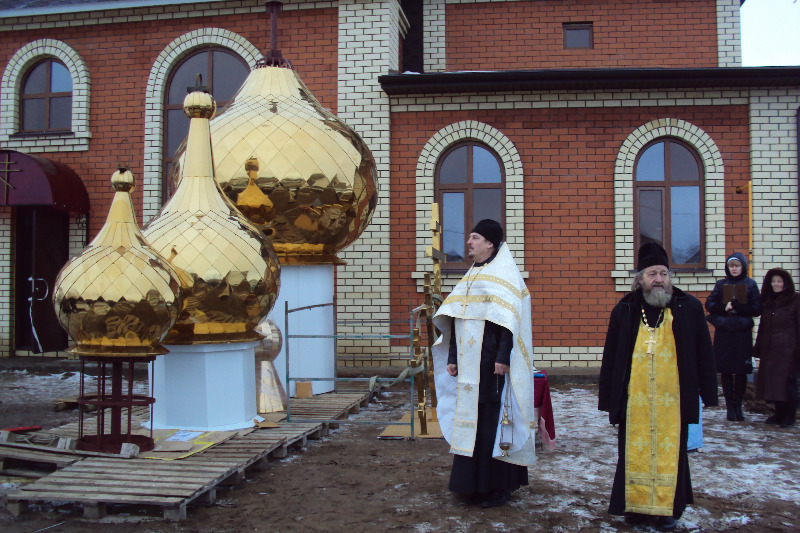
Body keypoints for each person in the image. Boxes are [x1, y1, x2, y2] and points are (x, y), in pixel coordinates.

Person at [598, 242, 718, 532]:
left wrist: (709, 393)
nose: (659, 279)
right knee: (632, 452)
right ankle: (636, 508)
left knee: (671, 454)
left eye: (663, 273)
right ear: (639, 279)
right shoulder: (625, 309)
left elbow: (703, 351)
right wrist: (608, 399)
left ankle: (667, 509)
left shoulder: (688, 308)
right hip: (634, 400)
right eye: (652, 274)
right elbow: (611, 356)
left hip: (672, 401)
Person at [432, 219, 537, 508]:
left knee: (493, 424)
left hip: (492, 366)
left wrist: (503, 358)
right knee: (473, 424)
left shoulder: (503, 274)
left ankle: (498, 486)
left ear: (490, 243)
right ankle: (471, 485)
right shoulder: (471, 275)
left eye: (475, 237)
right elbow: (456, 320)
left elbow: (508, 324)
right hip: (469, 366)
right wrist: (452, 358)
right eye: (469, 237)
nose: (469, 241)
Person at [704, 253, 761, 421]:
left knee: (741, 370)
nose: (734, 269)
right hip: (725, 332)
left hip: (741, 333)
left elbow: (757, 308)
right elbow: (710, 304)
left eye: (737, 266)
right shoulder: (722, 284)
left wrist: (741, 307)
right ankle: (730, 407)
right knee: (726, 370)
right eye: (731, 266)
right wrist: (724, 307)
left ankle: (738, 406)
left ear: (743, 267)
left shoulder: (751, 284)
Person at [753, 268, 800, 428]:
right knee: (773, 383)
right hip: (770, 349)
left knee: (788, 384)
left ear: (786, 284)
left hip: (789, 349)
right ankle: (779, 413)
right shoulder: (768, 301)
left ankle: (790, 415)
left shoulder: (795, 300)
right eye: (773, 281)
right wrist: (758, 347)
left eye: (779, 281)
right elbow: (763, 327)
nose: (776, 284)